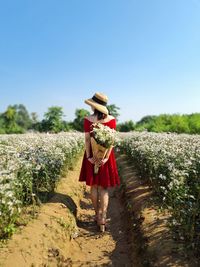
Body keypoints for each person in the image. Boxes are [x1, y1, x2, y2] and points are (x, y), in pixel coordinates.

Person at [79, 92, 120, 232]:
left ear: (94, 106)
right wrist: (106, 157)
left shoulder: (88, 120)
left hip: (92, 156)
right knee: (103, 188)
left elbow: (86, 140)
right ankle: (103, 218)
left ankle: (97, 215)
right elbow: (112, 142)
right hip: (105, 158)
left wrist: (90, 156)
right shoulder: (112, 120)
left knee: (94, 187)